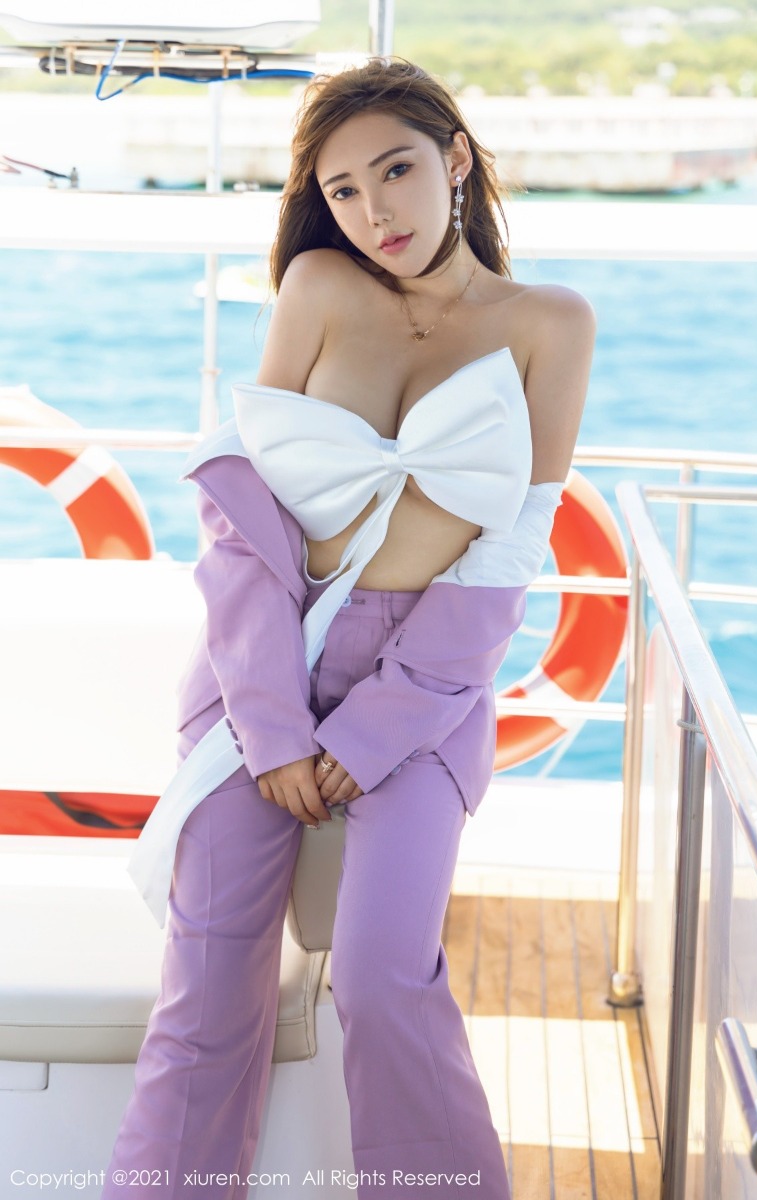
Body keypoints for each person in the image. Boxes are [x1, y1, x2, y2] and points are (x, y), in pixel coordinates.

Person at [103, 57, 595, 1200]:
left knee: (381, 977)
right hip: (264, 668)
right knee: (207, 985)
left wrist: (373, 732)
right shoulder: (317, 288)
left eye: (396, 171)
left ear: (454, 160)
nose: (376, 211)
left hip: (425, 688)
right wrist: (272, 724)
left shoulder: (548, 324)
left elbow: (508, 553)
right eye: (342, 189)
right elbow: (239, 516)